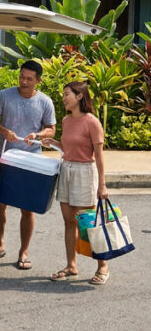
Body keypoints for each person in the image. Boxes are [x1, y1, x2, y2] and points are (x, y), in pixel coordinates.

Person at [0, 60, 56, 270]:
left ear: (38, 81)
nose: (24, 82)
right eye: (22, 77)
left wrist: (38, 135)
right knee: (0, 205)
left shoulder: (45, 102)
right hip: (5, 158)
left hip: (31, 161)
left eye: (29, 79)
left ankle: (24, 252)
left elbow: (51, 129)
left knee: (28, 208)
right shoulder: (4, 95)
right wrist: (4, 130)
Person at [43, 81, 110, 285]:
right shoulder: (66, 120)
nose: (63, 98)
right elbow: (68, 146)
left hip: (85, 172)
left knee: (88, 223)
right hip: (66, 169)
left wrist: (102, 185)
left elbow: (99, 156)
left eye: (67, 94)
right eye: (63, 94)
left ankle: (103, 266)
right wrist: (54, 143)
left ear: (80, 96)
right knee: (69, 221)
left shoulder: (92, 122)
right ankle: (71, 265)